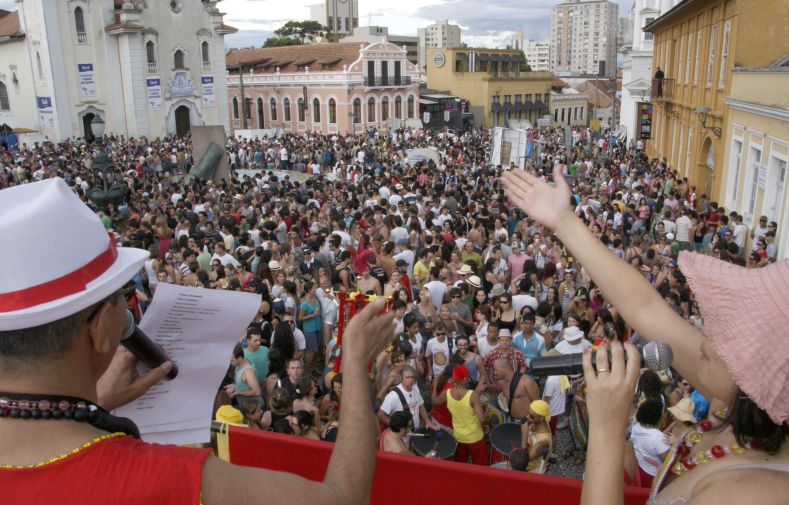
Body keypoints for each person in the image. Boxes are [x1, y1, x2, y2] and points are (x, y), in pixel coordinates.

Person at [0, 178, 398, 504]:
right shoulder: (166, 480)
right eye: (122, 307)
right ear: (103, 328)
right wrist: (356, 358)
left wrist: (96, 404)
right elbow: (344, 498)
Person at [502, 167, 789, 505]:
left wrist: (607, 427)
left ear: (763, 374)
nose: (702, 340)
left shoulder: (760, 495)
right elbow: (644, 307)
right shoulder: (734, 398)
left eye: (729, 336)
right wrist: (564, 221)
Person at [434, 364, 488, 466]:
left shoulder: (447, 393)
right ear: (465, 378)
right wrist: (486, 422)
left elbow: (434, 402)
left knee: (460, 466)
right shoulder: (472, 395)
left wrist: (434, 385)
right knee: (481, 466)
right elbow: (482, 419)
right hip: (475, 437)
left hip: (458, 437)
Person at [377, 365, 435, 431]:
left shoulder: (415, 390)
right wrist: (395, 426)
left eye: (412, 377)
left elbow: (420, 405)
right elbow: (380, 415)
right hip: (402, 436)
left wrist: (427, 420)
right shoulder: (393, 395)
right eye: (407, 377)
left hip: (415, 431)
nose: (410, 380)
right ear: (401, 378)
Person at [630, 399, 671, 488]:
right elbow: (668, 461)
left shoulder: (636, 427)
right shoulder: (658, 437)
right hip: (655, 476)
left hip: (642, 469)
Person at [521, 400, 553, 474]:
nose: (527, 416)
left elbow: (522, 460)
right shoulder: (539, 422)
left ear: (541, 418)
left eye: (531, 416)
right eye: (528, 413)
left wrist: (524, 435)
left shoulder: (544, 441)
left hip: (532, 473)